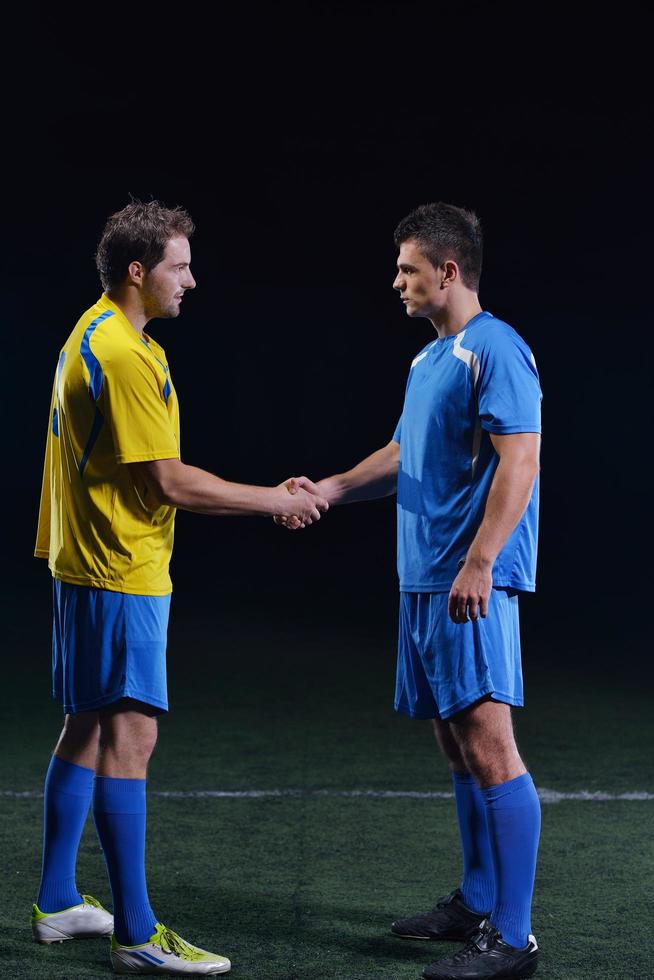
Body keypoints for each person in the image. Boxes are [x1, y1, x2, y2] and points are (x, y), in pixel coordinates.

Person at [33, 199, 327, 976]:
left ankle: (59, 900)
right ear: (139, 271)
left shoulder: (102, 329)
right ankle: (137, 933)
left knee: (89, 725)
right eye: (179, 265)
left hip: (88, 563)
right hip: (118, 569)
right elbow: (167, 483)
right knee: (131, 734)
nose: (192, 279)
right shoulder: (125, 354)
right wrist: (276, 500)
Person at [278, 202, 543, 980]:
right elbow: (402, 453)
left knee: (491, 745)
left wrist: (481, 559)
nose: (396, 282)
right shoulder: (429, 362)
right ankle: (476, 899)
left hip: (469, 580)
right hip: (423, 578)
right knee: (454, 740)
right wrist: (327, 488)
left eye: (407, 269)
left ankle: (515, 936)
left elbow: (519, 461)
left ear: (448, 271)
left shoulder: (497, 349)